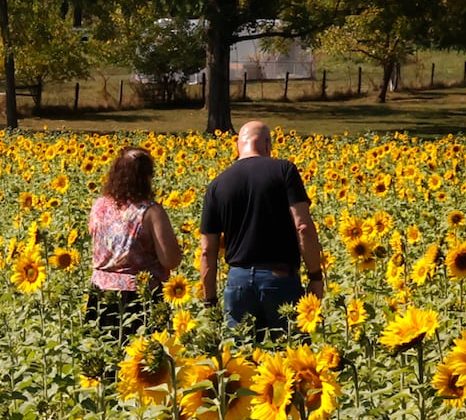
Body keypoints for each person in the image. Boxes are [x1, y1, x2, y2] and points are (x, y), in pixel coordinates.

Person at [198, 120, 324, 338]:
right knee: (289, 359)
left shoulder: (217, 184)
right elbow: (302, 226)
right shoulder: (284, 170)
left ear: (238, 146)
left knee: (241, 363)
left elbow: (207, 251)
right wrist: (315, 275)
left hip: (238, 282)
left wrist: (209, 300)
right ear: (267, 145)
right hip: (280, 280)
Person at [87, 146, 182, 335]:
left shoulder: (99, 205)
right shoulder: (150, 212)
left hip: (100, 291)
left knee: (105, 354)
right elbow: (170, 260)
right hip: (139, 297)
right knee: (141, 357)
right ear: (146, 177)